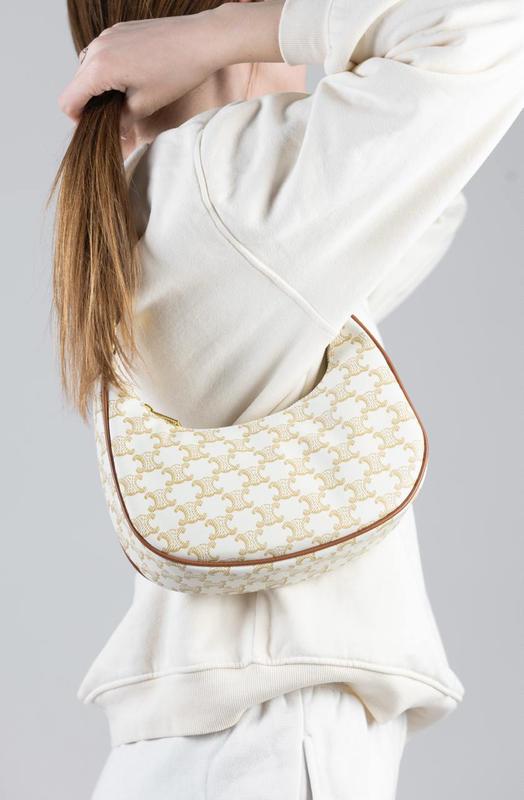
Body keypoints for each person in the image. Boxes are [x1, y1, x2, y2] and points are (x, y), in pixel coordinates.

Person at [51, 1, 524, 797]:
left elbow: (433, 193)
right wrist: (218, 35)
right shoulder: (230, 192)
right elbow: (489, 23)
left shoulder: (187, 203)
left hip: (223, 753)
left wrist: (219, 42)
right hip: (267, 750)